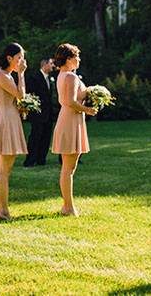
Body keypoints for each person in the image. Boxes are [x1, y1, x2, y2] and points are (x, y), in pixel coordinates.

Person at [51, 43, 97, 217]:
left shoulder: (64, 76)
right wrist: (88, 110)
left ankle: (67, 205)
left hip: (71, 118)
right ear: (69, 59)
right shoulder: (69, 77)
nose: (79, 59)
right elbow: (70, 101)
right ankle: (68, 207)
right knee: (68, 168)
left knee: (70, 166)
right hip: (70, 118)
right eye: (76, 56)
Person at [0, 43, 28, 221]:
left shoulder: (8, 76)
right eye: (19, 57)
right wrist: (22, 73)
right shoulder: (0, 75)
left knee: (6, 169)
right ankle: (3, 211)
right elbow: (21, 95)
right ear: (9, 58)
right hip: (4, 121)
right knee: (3, 169)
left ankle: (1, 209)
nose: (21, 61)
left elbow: (16, 98)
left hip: (10, 119)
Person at [23, 57, 55, 167]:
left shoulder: (50, 79)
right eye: (51, 64)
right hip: (37, 114)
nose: (53, 66)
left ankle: (41, 159)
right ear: (44, 65)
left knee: (46, 137)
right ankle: (30, 160)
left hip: (48, 114)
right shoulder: (34, 78)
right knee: (35, 137)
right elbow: (30, 95)